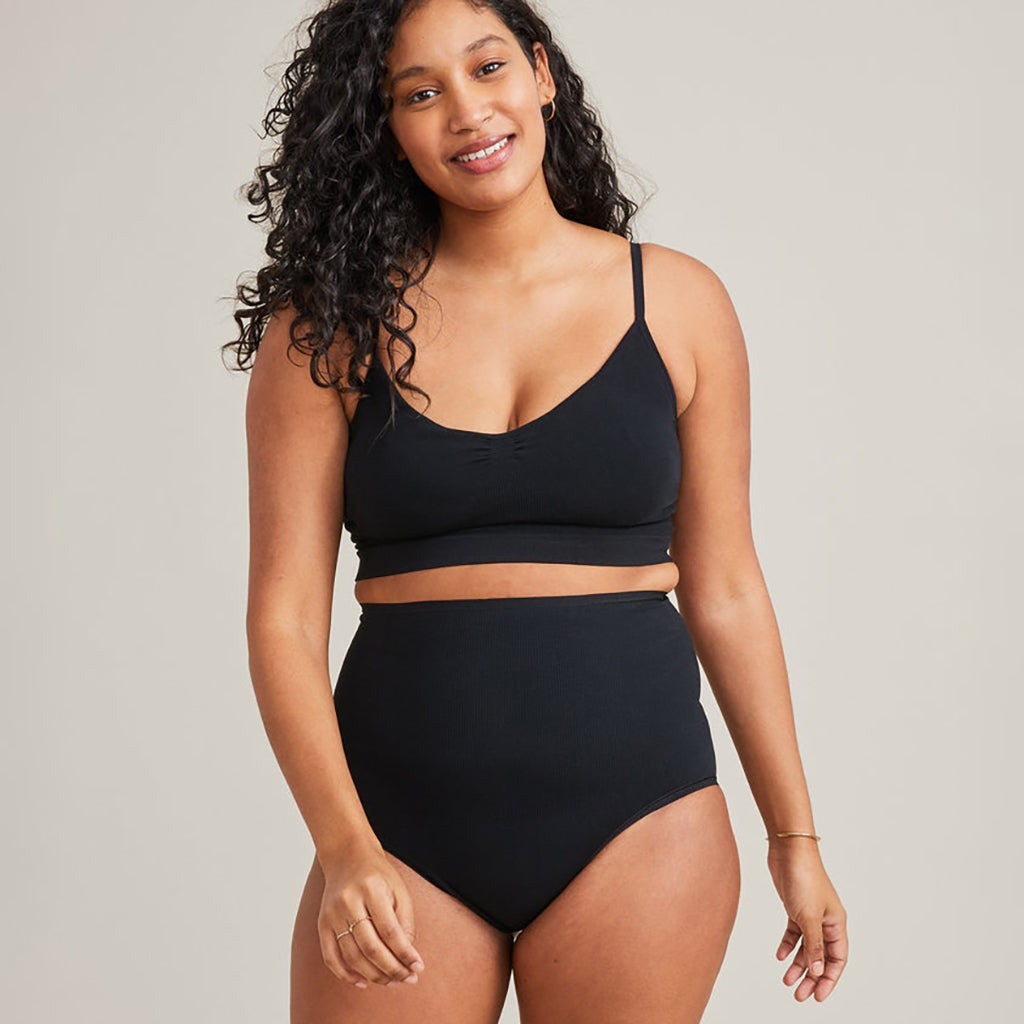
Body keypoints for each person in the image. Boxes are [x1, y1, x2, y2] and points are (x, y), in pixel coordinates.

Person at [229, 0, 849, 1020]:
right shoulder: (325, 331)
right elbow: (283, 618)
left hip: (642, 822)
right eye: (419, 93)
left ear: (542, 74)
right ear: (383, 125)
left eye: (487, 69)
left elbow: (728, 587)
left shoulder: (678, 303)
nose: (467, 111)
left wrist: (796, 838)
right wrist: (342, 846)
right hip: (395, 832)